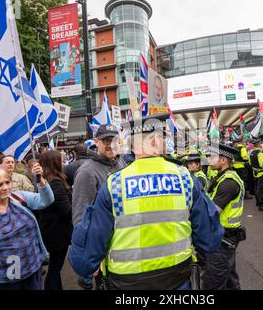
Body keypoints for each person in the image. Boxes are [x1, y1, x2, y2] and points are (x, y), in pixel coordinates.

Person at [68, 114, 224, 290]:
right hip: (178, 281)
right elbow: (210, 239)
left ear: (133, 146)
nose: (166, 141)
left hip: (126, 285)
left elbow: (84, 260)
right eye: (164, 137)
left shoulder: (114, 185)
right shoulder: (185, 179)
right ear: (156, 140)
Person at [72, 124, 126, 289]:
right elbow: (80, 217)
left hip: (124, 243)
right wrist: (89, 257)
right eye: (106, 140)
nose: (111, 144)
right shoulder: (87, 172)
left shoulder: (121, 163)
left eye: (114, 139)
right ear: (96, 142)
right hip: (103, 249)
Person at [203, 142, 245, 290]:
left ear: (223, 160)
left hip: (223, 239)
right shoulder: (222, 177)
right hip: (224, 236)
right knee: (229, 278)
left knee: (212, 282)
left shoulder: (228, 183)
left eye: (212, 157)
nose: (208, 160)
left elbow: (212, 212)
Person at [38, 150, 73, 290]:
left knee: (55, 267)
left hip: (52, 230)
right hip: (57, 232)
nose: (64, 162)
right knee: (55, 268)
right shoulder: (55, 182)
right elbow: (66, 210)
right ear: (54, 163)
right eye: (61, 160)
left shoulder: (47, 179)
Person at [249, 138, 263, 212]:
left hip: (255, 173)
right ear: (259, 144)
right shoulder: (260, 153)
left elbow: (250, 163)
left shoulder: (251, 152)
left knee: (257, 188)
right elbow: (262, 165)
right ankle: (261, 205)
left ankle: (258, 202)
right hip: (262, 173)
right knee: (261, 190)